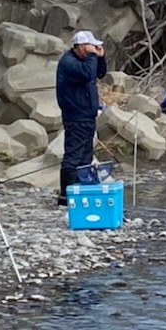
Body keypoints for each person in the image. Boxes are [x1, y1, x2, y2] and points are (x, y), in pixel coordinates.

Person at [56, 30, 108, 206]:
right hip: (76, 115)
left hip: (87, 115)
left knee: (86, 155)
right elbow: (87, 74)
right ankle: (66, 196)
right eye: (91, 45)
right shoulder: (69, 63)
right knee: (73, 155)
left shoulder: (83, 61)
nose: (94, 48)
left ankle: (80, 190)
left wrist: (100, 58)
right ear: (80, 46)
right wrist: (93, 56)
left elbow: (98, 74)